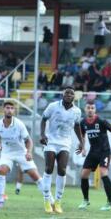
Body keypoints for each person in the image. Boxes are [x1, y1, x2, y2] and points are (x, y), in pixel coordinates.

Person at [0, 101, 46, 209]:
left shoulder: (19, 124)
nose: (9, 110)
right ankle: (0, 199)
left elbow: (29, 141)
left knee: (35, 175)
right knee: (1, 170)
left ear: (14, 111)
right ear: (3, 109)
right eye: (7, 107)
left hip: (21, 153)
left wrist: (28, 152)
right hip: (7, 154)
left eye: (12, 108)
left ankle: (49, 199)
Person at [40, 86, 84, 214]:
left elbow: (77, 126)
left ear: (74, 96)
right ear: (62, 94)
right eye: (67, 93)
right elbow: (43, 119)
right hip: (51, 141)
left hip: (65, 142)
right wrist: (42, 135)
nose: (69, 95)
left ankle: (58, 201)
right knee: (49, 168)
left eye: (71, 93)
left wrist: (81, 142)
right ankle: (47, 200)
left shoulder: (77, 111)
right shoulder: (53, 106)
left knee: (62, 170)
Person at [78, 102, 111, 211]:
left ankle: (110, 202)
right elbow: (82, 137)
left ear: (95, 110)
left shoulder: (102, 121)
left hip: (104, 151)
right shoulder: (83, 122)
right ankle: (85, 200)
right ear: (85, 109)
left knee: (103, 173)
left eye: (92, 108)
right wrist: (83, 148)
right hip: (93, 152)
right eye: (88, 108)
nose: (90, 109)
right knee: (84, 175)